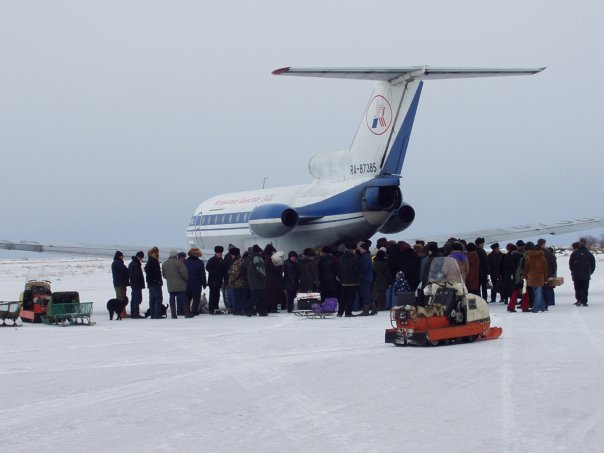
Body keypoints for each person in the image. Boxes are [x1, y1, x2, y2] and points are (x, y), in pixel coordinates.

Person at [522, 241, 548, 313]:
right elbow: (545, 269)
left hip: (531, 277)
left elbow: (526, 268)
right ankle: (536, 308)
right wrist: (546, 278)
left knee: (536, 293)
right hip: (540, 277)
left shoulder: (529, 257)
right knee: (539, 293)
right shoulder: (542, 258)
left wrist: (524, 275)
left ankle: (542, 307)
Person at [162, 250, 189, 318]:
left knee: (172, 298)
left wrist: (169, 279)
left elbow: (164, 275)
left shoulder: (165, 263)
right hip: (180, 284)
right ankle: (186, 313)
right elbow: (184, 273)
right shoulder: (179, 262)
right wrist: (186, 279)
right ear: (176, 255)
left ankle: (173, 314)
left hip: (170, 284)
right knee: (183, 299)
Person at [569, 239, 596, 306]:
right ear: (585, 244)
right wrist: (590, 272)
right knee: (585, 289)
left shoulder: (574, 253)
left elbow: (570, 264)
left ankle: (578, 300)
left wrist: (573, 271)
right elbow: (593, 264)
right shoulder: (589, 254)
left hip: (576, 274)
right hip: (586, 274)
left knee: (577, 288)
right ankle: (584, 301)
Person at [337, 241, 361, 317]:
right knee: (350, 297)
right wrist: (359, 275)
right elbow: (356, 269)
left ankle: (340, 312)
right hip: (353, 280)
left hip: (343, 281)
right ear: (352, 249)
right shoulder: (354, 258)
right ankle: (348, 312)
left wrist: (340, 278)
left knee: (343, 297)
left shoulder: (342, 257)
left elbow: (339, 268)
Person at [246, 244, 267, 316]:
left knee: (257, 296)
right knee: (256, 297)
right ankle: (248, 310)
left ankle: (259, 311)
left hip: (252, 281)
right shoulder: (257, 258)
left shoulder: (250, 258)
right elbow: (260, 270)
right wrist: (264, 278)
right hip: (258, 281)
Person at [185, 247, 207, 316]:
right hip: (197, 284)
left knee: (188, 298)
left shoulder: (185, 262)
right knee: (196, 299)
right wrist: (204, 283)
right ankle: (194, 311)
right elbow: (202, 274)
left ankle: (187, 311)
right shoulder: (200, 263)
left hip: (187, 283)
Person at [206, 245, 227, 314]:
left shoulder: (222, 260)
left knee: (217, 295)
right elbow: (208, 268)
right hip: (213, 281)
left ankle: (216, 308)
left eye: (220, 253)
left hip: (218, 281)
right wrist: (215, 272)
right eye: (218, 253)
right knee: (213, 295)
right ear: (216, 253)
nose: (220, 254)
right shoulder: (212, 260)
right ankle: (212, 308)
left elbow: (224, 270)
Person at [145, 247, 164, 319]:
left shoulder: (149, 262)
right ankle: (157, 314)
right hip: (155, 283)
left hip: (150, 283)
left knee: (152, 299)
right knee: (158, 298)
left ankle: (153, 314)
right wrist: (158, 280)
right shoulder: (154, 262)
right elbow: (156, 273)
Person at [264, 245, 284, 313]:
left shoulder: (265, 258)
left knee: (269, 294)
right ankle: (272, 308)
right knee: (273, 294)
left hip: (269, 279)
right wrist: (279, 267)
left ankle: (269, 307)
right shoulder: (270, 259)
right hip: (273, 279)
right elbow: (273, 268)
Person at [111, 250, 130, 318]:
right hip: (119, 284)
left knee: (122, 298)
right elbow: (125, 270)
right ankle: (121, 313)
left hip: (120, 283)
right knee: (120, 299)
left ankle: (123, 312)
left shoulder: (117, 263)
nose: (123, 257)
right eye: (122, 256)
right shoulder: (117, 263)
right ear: (119, 256)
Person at [227, 248, 245, 315]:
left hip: (237, 284)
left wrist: (230, 281)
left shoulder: (236, 263)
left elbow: (234, 274)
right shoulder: (242, 260)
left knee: (237, 298)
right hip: (243, 283)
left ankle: (237, 310)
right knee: (241, 298)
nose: (231, 256)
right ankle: (241, 309)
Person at [128, 251, 145, 319]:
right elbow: (136, 275)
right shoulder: (135, 264)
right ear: (138, 257)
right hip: (136, 284)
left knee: (134, 298)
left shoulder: (133, 263)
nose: (141, 259)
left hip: (134, 284)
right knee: (136, 298)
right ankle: (135, 314)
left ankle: (133, 313)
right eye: (141, 257)